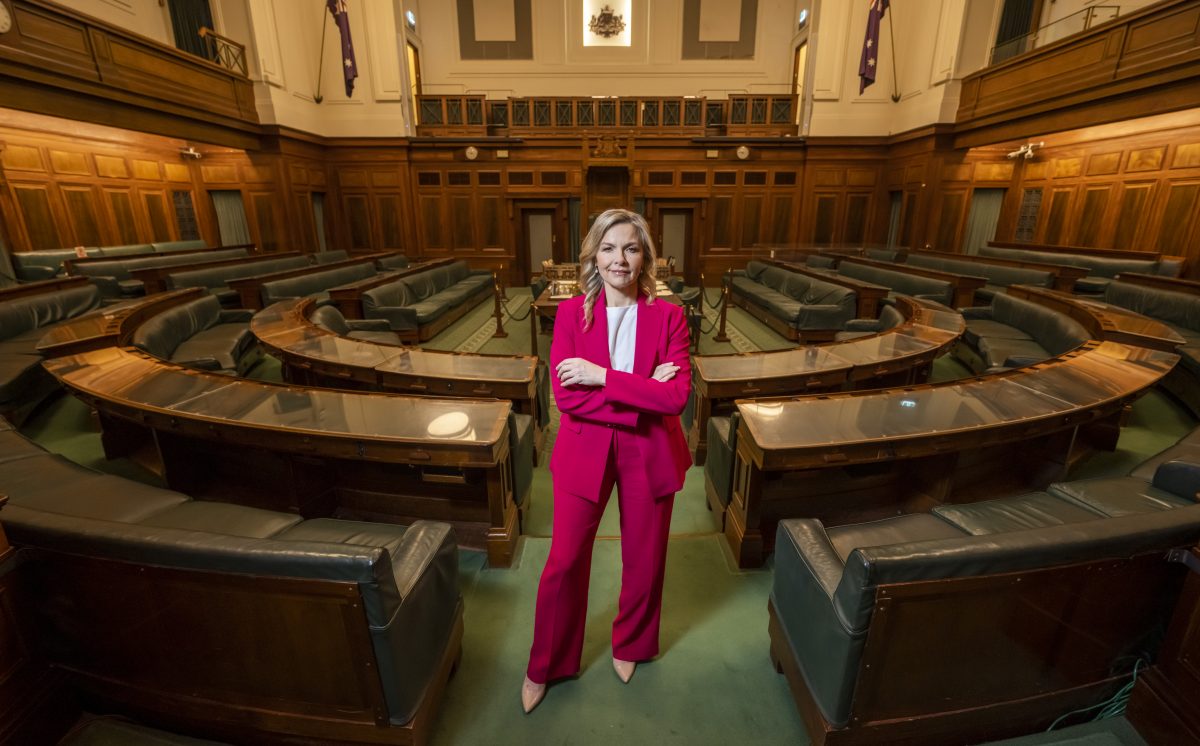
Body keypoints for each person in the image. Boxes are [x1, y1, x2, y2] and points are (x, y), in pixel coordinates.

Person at [522, 208, 692, 713]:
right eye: (610, 248)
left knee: (645, 557)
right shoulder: (573, 313)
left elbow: (677, 396)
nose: (621, 259)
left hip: (650, 450)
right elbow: (566, 397)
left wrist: (601, 376)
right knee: (564, 561)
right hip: (584, 449)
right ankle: (546, 663)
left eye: (632, 248)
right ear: (594, 255)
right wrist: (643, 390)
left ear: (645, 257)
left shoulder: (670, 315)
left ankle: (633, 644)